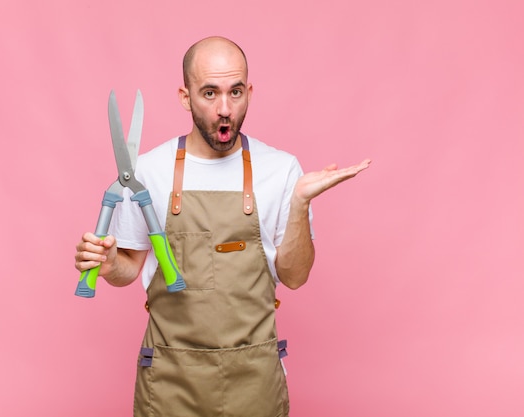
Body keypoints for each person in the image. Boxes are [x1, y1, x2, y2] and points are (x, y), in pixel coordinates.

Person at [75, 36, 370, 417]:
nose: (225, 109)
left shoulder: (281, 170)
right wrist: (111, 263)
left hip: (255, 379)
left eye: (235, 92)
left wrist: (300, 203)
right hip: (170, 381)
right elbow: (129, 267)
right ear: (185, 97)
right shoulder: (149, 170)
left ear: (249, 92)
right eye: (210, 93)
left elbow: (295, 277)